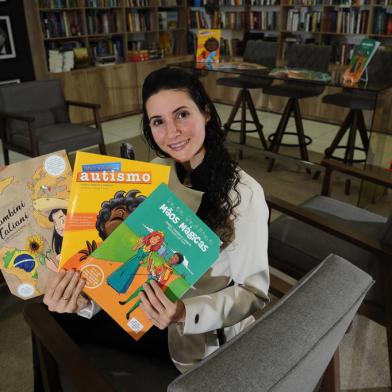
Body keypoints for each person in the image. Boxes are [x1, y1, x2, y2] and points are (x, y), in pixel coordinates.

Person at [41, 67, 269, 386]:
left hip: (189, 330)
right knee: (52, 316)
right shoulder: (154, 173)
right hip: (136, 303)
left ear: (206, 114)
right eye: (158, 121)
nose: (172, 132)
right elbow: (123, 253)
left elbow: (254, 293)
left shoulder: (244, 193)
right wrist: (84, 300)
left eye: (182, 114)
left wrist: (182, 313)